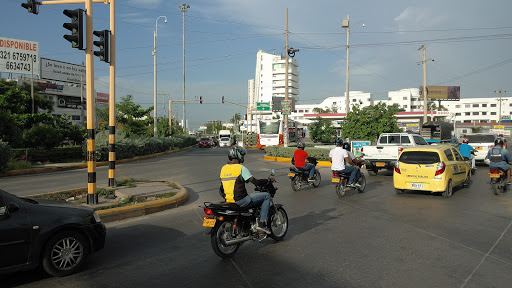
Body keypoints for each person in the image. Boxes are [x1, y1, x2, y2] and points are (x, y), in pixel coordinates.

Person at [220, 145, 275, 234]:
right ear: (239, 155)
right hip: (241, 201)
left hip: (229, 201)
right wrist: (268, 180)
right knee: (266, 196)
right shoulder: (241, 168)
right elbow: (256, 182)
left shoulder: (223, 168)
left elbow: (221, 189)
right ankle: (262, 224)